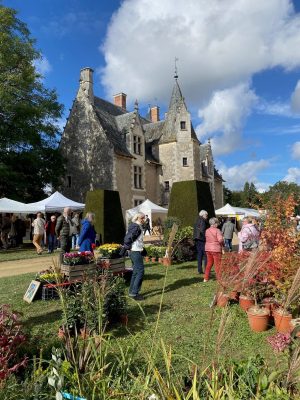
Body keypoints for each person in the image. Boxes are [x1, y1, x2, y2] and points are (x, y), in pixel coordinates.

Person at [122, 212, 146, 300]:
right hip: (135, 251)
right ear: (137, 218)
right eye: (141, 218)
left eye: (144, 218)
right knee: (140, 271)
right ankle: (134, 293)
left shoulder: (136, 226)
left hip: (135, 250)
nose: (143, 219)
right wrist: (129, 247)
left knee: (136, 271)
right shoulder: (136, 226)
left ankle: (132, 292)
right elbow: (127, 238)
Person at [203, 217, 224, 282]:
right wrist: (223, 240)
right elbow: (220, 240)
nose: (218, 224)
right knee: (217, 264)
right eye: (217, 223)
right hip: (216, 249)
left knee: (209, 263)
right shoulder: (217, 230)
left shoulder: (207, 230)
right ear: (214, 223)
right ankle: (219, 278)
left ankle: (205, 278)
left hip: (208, 249)